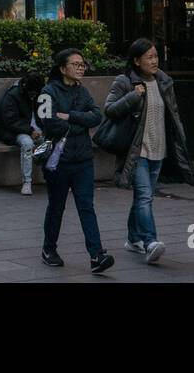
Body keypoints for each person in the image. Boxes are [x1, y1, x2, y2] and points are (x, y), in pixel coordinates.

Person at [104, 39, 194, 265]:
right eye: (149, 57)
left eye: (156, 56)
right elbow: (109, 109)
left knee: (142, 197)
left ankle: (132, 238)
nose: (155, 61)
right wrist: (133, 96)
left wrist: (181, 141)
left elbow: (173, 114)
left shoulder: (164, 81)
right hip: (136, 151)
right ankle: (150, 242)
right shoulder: (124, 82)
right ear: (136, 61)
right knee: (145, 195)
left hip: (159, 147)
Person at [39, 49, 114, 273]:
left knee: (86, 206)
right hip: (58, 160)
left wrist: (70, 115)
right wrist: (79, 123)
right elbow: (48, 122)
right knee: (56, 206)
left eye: (82, 64)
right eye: (75, 64)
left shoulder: (83, 91)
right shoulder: (48, 91)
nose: (81, 67)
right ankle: (48, 249)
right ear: (63, 68)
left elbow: (97, 116)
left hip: (83, 159)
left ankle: (96, 255)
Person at [0, 74, 45, 195]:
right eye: (31, 93)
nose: (33, 96)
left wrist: (45, 129)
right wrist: (30, 131)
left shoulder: (42, 93)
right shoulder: (13, 95)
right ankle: (27, 182)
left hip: (38, 130)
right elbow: (10, 120)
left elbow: (47, 114)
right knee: (27, 144)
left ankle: (53, 178)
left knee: (51, 143)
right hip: (19, 131)